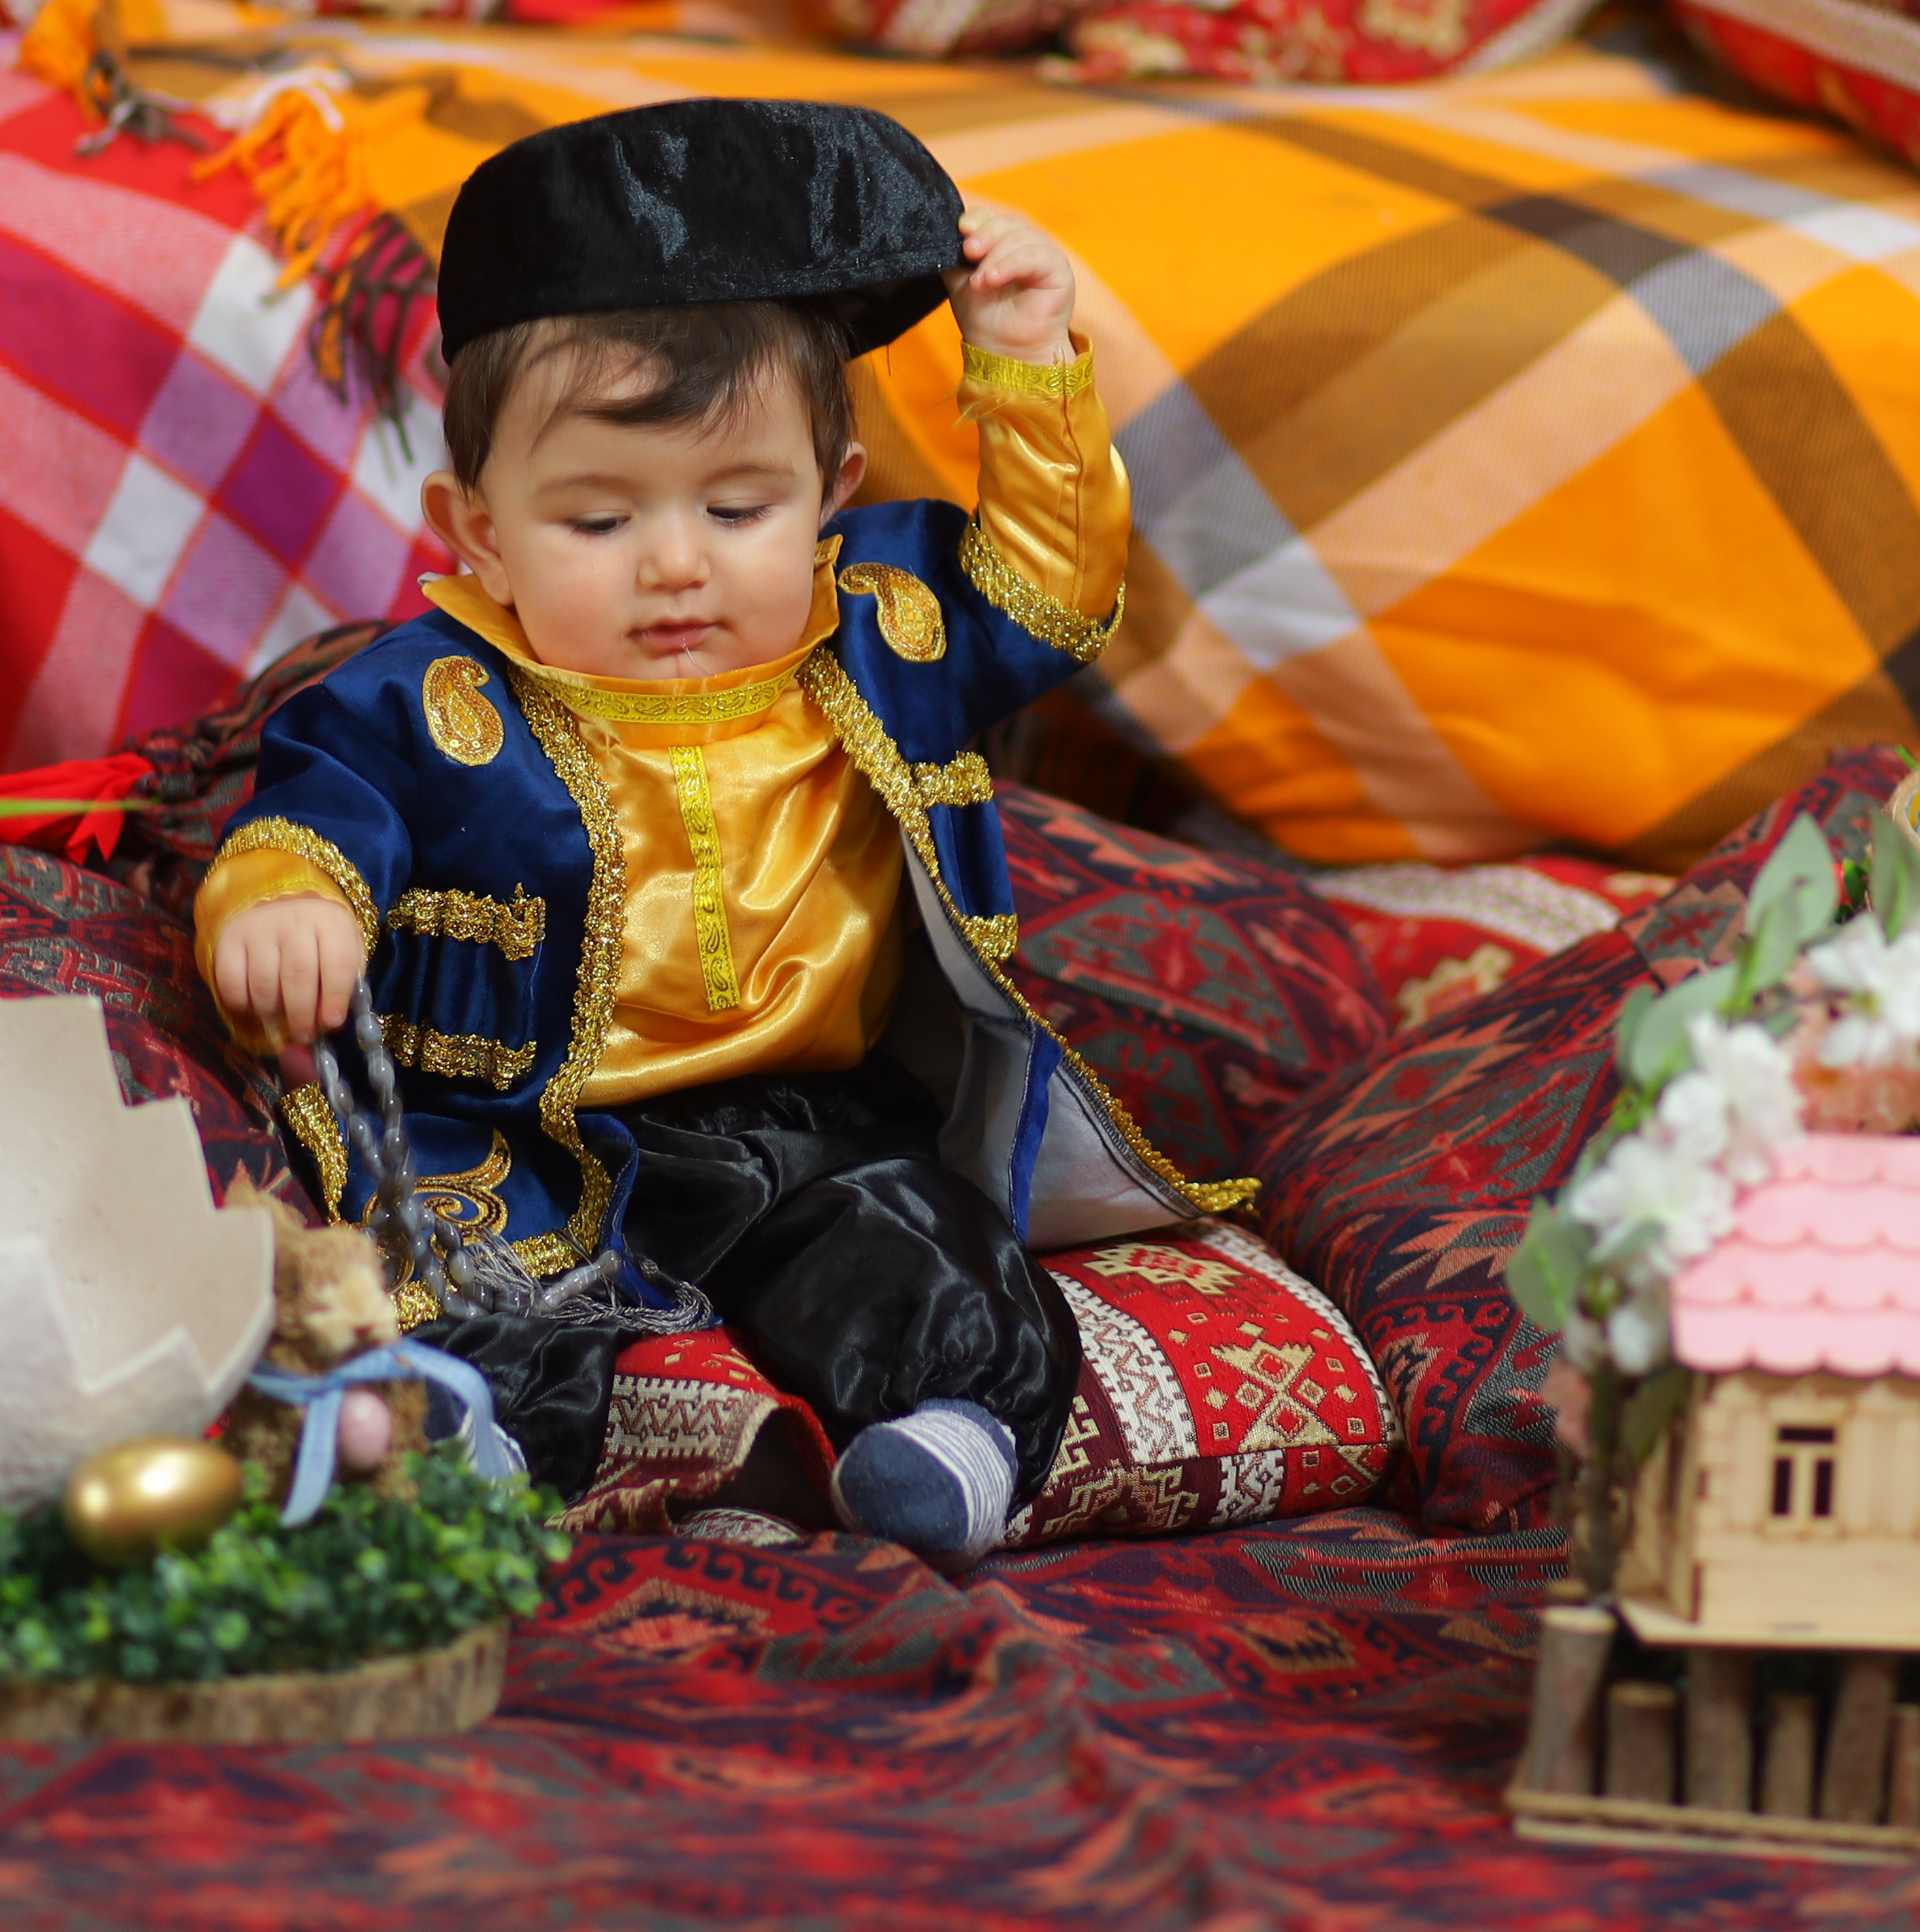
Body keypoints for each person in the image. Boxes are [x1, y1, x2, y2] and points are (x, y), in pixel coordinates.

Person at [197, 97, 1241, 1564]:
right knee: (449, 1270)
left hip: (810, 1114)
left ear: (832, 496)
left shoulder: (879, 627)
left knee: (920, 1248)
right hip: (525, 1128)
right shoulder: (427, 696)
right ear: (480, 530)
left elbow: (1049, 598)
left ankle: (950, 1437)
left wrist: (1021, 361)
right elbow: (320, 808)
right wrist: (283, 903)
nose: (677, 564)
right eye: (599, 523)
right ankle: (468, 1445)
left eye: (741, 507)